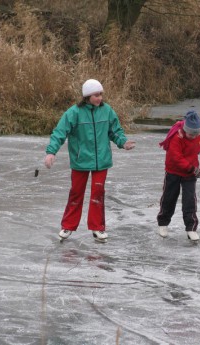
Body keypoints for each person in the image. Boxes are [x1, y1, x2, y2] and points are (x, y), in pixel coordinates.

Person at [44, 79, 135, 242]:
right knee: (76, 193)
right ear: (87, 96)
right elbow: (59, 132)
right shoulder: (74, 113)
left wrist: (123, 142)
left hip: (102, 160)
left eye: (101, 94)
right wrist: (51, 152)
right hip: (81, 160)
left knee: (98, 193)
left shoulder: (107, 111)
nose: (99, 98)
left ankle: (97, 227)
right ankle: (68, 226)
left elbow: (115, 131)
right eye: (96, 95)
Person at [157, 110, 200, 242]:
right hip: (173, 172)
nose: (193, 136)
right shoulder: (177, 138)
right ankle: (163, 224)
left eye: (195, 134)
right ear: (185, 129)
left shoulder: (198, 136)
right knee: (169, 198)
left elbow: (197, 150)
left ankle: (191, 228)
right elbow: (176, 158)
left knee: (190, 200)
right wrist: (191, 168)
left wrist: (195, 169)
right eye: (190, 133)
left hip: (189, 174)